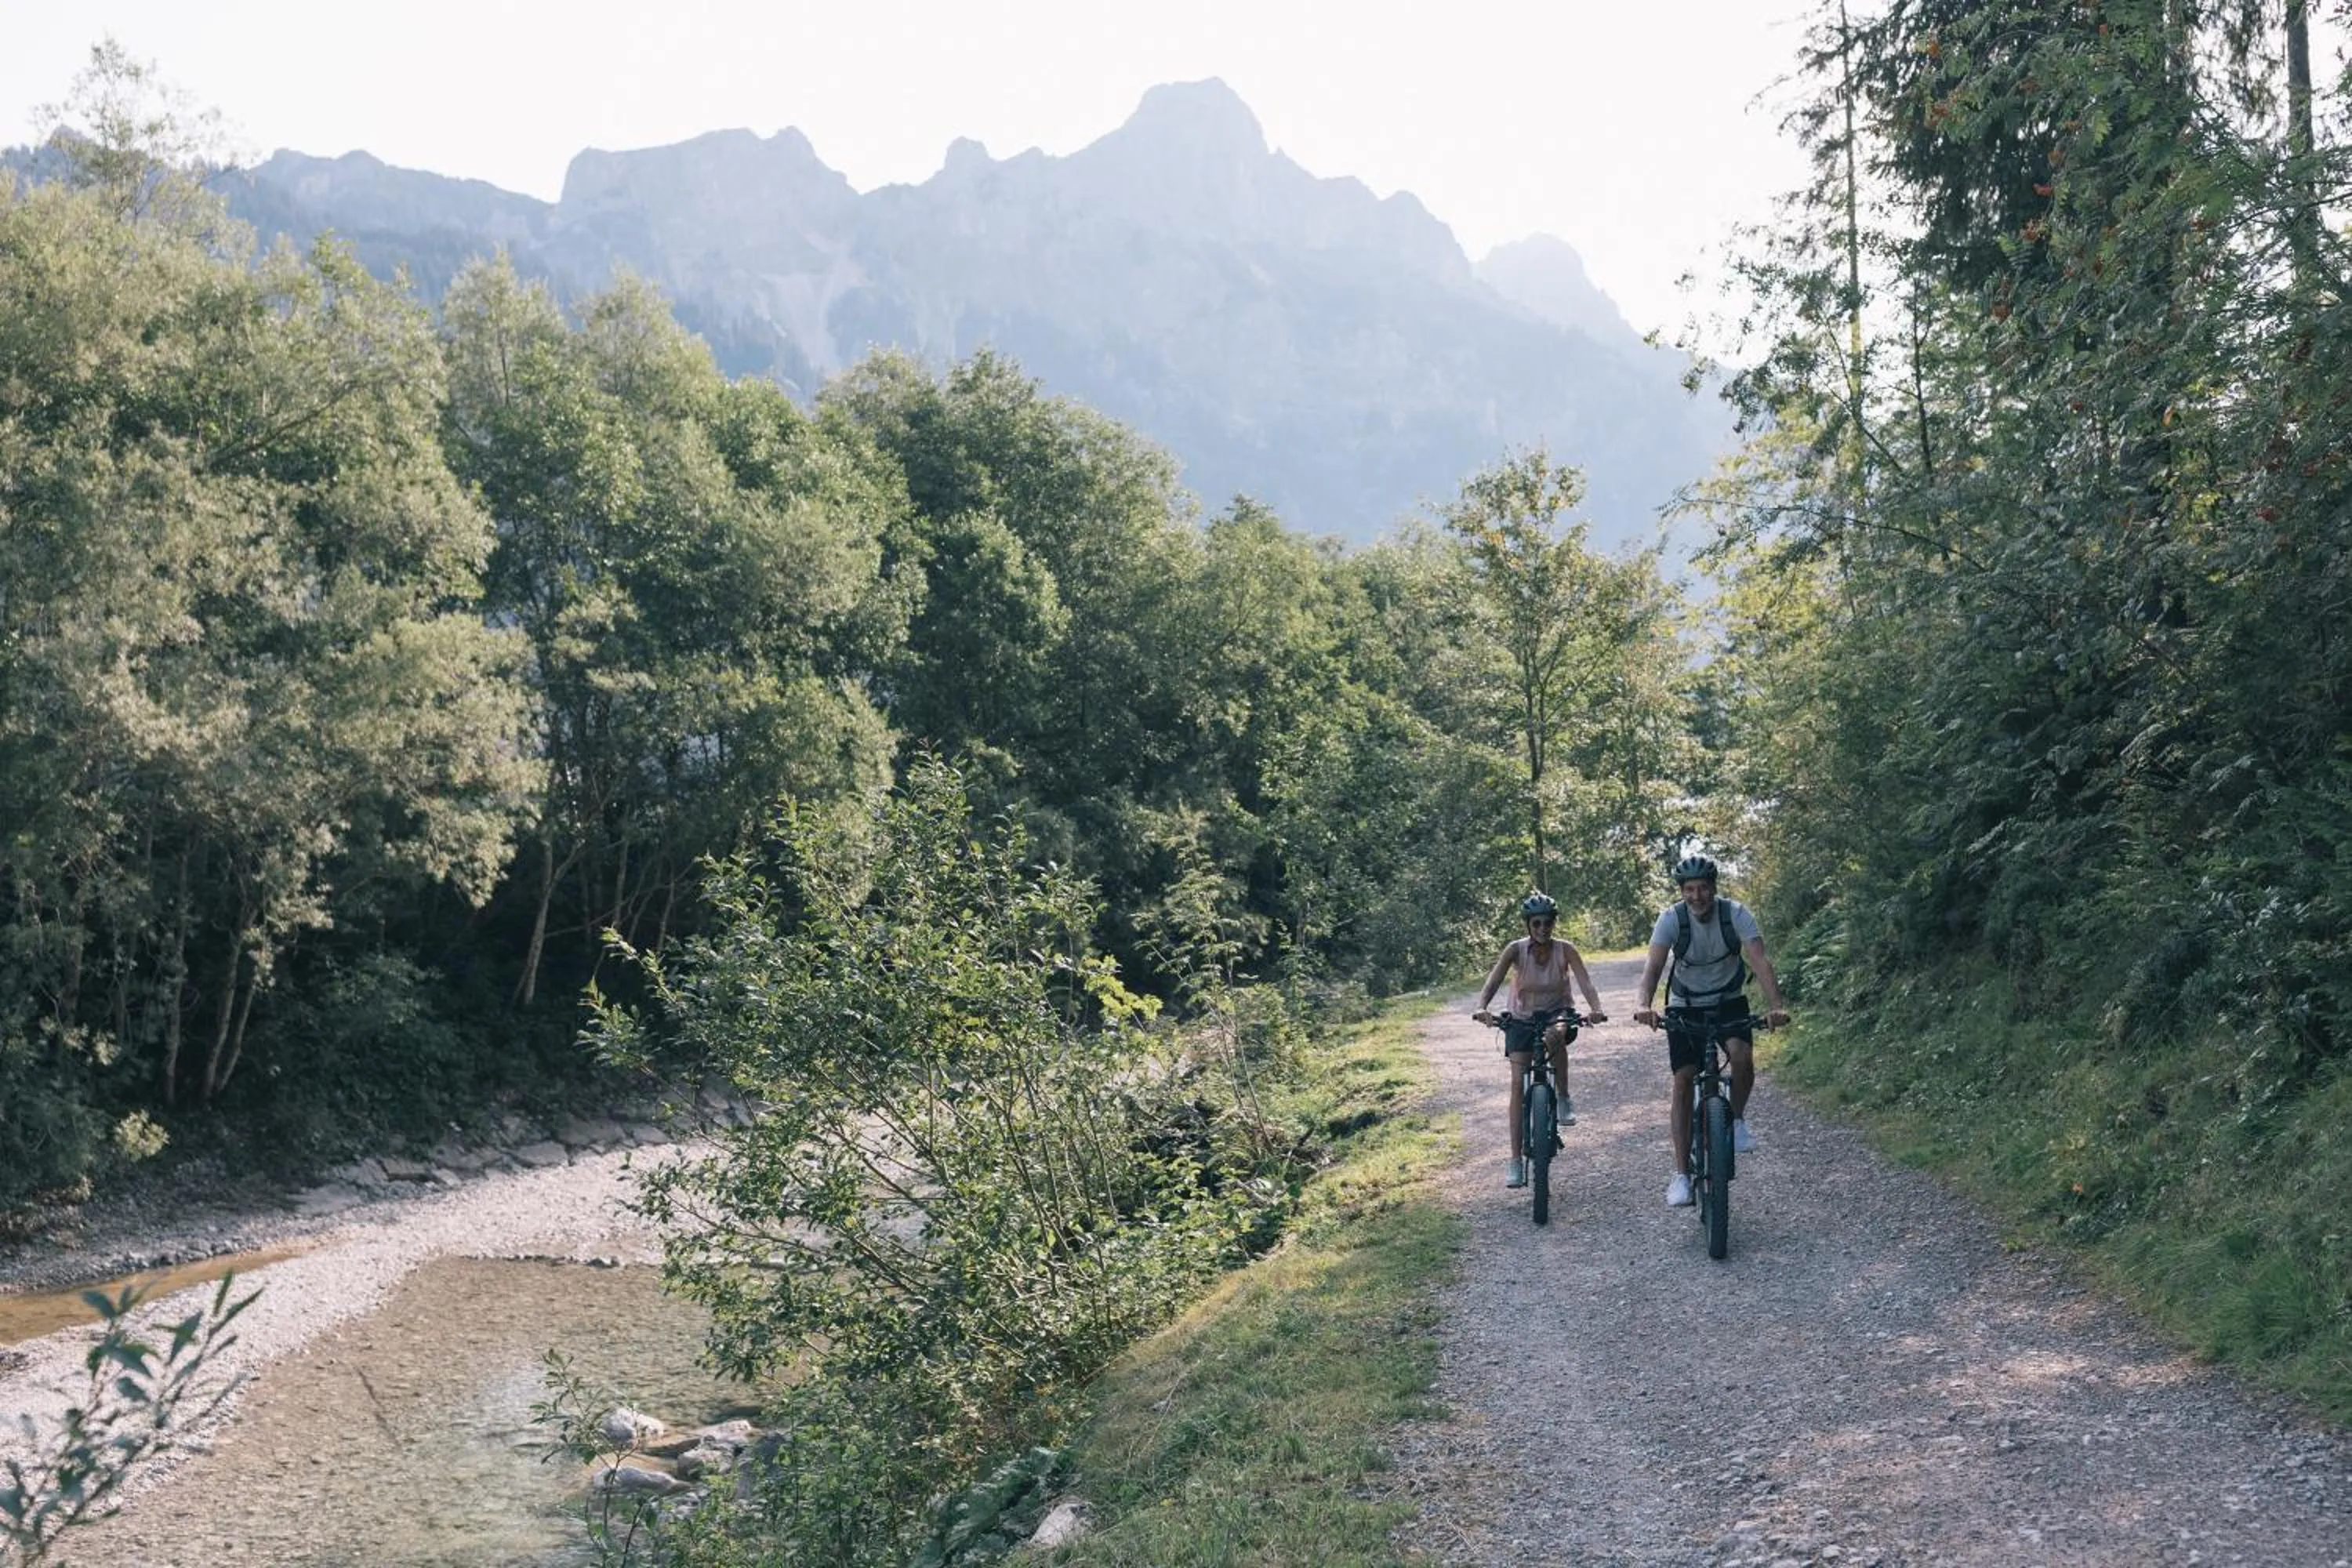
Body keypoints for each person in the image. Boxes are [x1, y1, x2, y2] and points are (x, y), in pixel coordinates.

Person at [1632, 855, 1789, 1207]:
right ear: (1681, 892)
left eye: (1703, 888)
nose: (1697, 896)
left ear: (1714, 888)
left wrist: (1777, 1006)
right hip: (1685, 1004)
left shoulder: (1736, 914)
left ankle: (1736, 1120)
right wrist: (1643, 1004)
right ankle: (1681, 1176)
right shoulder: (1672, 919)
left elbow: (1760, 960)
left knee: (1742, 1056)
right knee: (1684, 1079)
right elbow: (1653, 966)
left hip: (1728, 1001)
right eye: (1689, 890)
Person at [1472, 892, 1607, 1189]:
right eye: (1537, 923)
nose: (1543, 929)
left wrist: (1596, 1009)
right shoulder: (1515, 950)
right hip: (1521, 1018)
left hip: (1557, 1012)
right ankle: (1514, 1161)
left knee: (1556, 1032)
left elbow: (1586, 982)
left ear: (1554, 923)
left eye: (1548, 923)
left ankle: (1563, 1096)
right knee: (1517, 1084)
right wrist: (1482, 1007)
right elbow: (1493, 981)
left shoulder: (1565, 950)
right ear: (1528, 925)